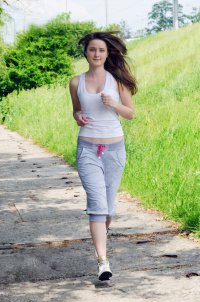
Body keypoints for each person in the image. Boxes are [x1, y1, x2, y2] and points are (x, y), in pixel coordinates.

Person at [69, 31, 137, 281]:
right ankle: (102, 261)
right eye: (92, 50)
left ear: (107, 54)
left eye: (101, 50)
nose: (96, 54)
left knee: (108, 208)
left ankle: (101, 244)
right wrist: (78, 117)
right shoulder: (76, 82)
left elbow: (130, 113)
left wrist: (115, 105)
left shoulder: (117, 82)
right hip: (88, 149)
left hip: (114, 150)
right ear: (86, 53)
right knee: (97, 205)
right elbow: (77, 111)